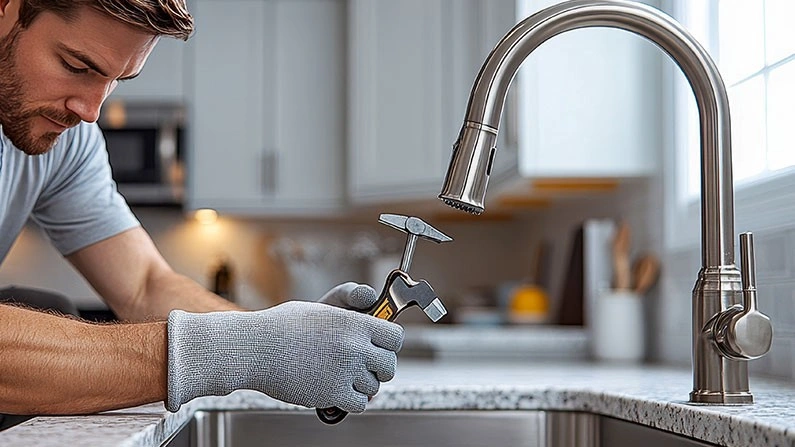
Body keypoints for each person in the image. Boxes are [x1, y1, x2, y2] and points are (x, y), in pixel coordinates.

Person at [0, 0, 404, 419]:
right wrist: (237, 352)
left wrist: (281, 336)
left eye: (115, 80)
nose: (90, 112)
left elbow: (144, 285)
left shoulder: (67, 142)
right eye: (76, 67)